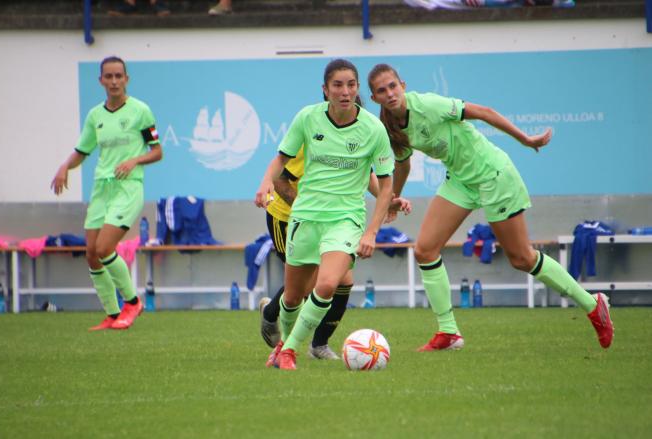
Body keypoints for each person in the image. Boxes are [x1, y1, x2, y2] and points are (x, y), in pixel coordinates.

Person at [367, 63, 613, 351]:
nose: (390, 93)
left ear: (403, 85)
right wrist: (395, 197)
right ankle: (449, 333)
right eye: (382, 91)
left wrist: (525, 139)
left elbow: (485, 112)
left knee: (522, 258)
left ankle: (592, 305)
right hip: (460, 180)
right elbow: (403, 163)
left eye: (393, 86)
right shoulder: (390, 125)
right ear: (374, 98)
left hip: (492, 174)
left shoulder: (429, 105)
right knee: (424, 249)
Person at [255, 59, 395, 370]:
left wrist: (372, 230)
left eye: (351, 85)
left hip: (346, 220)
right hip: (305, 216)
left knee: (329, 284)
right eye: (338, 85)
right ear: (325, 90)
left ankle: (290, 350)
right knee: (292, 298)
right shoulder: (307, 118)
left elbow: (385, 183)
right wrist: (265, 184)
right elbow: (281, 160)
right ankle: (284, 344)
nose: (345, 92)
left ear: (357, 89)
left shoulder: (373, 129)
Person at [259, 147, 411, 360]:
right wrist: (307, 210)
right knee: (306, 285)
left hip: (329, 219)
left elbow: (366, 174)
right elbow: (280, 180)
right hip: (286, 218)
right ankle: (271, 314)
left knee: (341, 281)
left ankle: (319, 345)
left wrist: (388, 201)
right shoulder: (313, 135)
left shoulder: (357, 135)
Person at [51, 56, 163, 331]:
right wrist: (65, 166)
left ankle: (133, 302)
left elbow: (157, 151)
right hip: (101, 188)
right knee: (91, 253)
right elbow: (82, 151)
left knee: (104, 248)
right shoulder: (95, 116)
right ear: (101, 80)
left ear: (127, 79)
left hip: (128, 187)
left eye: (118, 76)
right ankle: (113, 314)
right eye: (108, 77)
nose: (114, 81)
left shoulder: (141, 111)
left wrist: (134, 160)